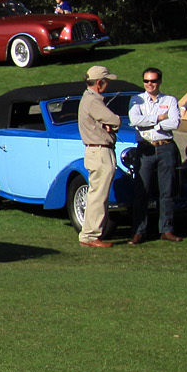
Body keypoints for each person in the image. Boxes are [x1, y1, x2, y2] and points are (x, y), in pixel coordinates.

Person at [128, 67, 182, 243]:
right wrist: (159, 118)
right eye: (146, 81)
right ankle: (139, 230)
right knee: (141, 191)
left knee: (167, 190)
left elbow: (175, 122)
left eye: (153, 81)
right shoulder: (136, 100)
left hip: (165, 147)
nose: (149, 84)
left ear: (159, 82)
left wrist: (153, 125)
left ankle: (166, 229)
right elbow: (135, 120)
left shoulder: (170, 100)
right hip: (145, 148)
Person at [77, 65, 122, 247]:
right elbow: (114, 120)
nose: (108, 84)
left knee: (97, 194)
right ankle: (90, 235)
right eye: (106, 81)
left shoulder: (89, 99)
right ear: (98, 83)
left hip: (96, 150)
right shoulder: (93, 100)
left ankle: (90, 234)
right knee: (98, 195)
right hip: (100, 151)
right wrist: (110, 125)